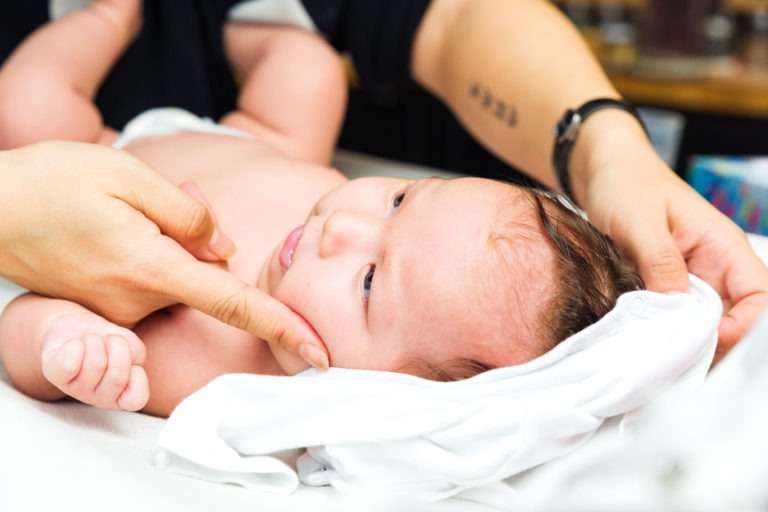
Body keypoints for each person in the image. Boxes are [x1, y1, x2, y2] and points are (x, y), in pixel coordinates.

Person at [0, 0, 763, 366]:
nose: (342, 223)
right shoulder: (335, 242)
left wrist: (606, 153)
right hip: (245, 137)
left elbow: (455, 16)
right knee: (305, 73)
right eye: (398, 198)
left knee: (24, 106)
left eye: (369, 282)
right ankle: (116, 17)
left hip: (100, 145)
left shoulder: (224, 357)